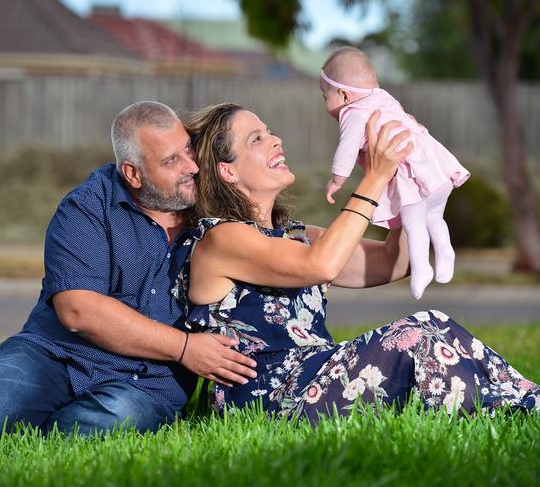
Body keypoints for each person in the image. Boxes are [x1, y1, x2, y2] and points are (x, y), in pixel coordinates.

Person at [0, 101, 256, 440]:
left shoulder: (209, 205)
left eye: (187, 149)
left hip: (147, 380)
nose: (190, 167)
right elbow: (79, 310)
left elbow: (271, 234)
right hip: (56, 355)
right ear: (133, 173)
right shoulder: (85, 208)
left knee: (104, 420)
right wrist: (185, 347)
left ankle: (32, 421)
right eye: (171, 160)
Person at [174, 102, 539, 422]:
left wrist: (403, 178)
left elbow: (393, 262)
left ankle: (522, 402)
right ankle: (508, 409)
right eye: (256, 139)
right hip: (268, 395)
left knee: (435, 322)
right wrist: (374, 177)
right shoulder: (220, 237)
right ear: (227, 171)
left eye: (269, 132)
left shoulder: (299, 237)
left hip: (316, 373)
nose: (275, 140)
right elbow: (322, 265)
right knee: (419, 333)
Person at [321, 47, 470, 299]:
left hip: (411, 176)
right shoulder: (384, 97)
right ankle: (446, 254)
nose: (326, 104)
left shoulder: (352, 112)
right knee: (434, 218)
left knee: (414, 224)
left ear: (344, 95)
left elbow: (347, 148)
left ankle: (422, 268)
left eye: (325, 97)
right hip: (435, 167)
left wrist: (337, 179)